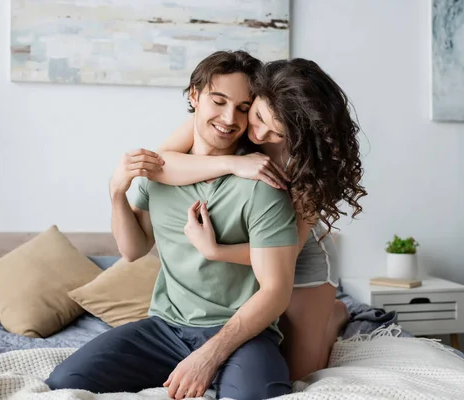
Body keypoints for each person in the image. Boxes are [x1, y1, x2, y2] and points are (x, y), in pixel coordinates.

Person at [45, 50, 299, 400]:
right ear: (194, 96)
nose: (229, 118)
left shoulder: (261, 184)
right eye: (219, 101)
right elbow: (132, 250)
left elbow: (276, 290)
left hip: (242, 334)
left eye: (243, 108)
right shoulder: (160, 172)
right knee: (63, 384)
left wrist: (208, 356)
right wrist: (117, 192)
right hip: (165, 329)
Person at [152, 57, 367, 380]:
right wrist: (232, 165)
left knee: (301, 375)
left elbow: (289, 251)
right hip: (262, 252)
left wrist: (216, 252)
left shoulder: (308, 163)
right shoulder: (231, 117)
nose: (259, 133)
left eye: (276, 132)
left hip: (301, 255)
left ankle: (334, 315)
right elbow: (160, 164)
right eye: (259, 116)